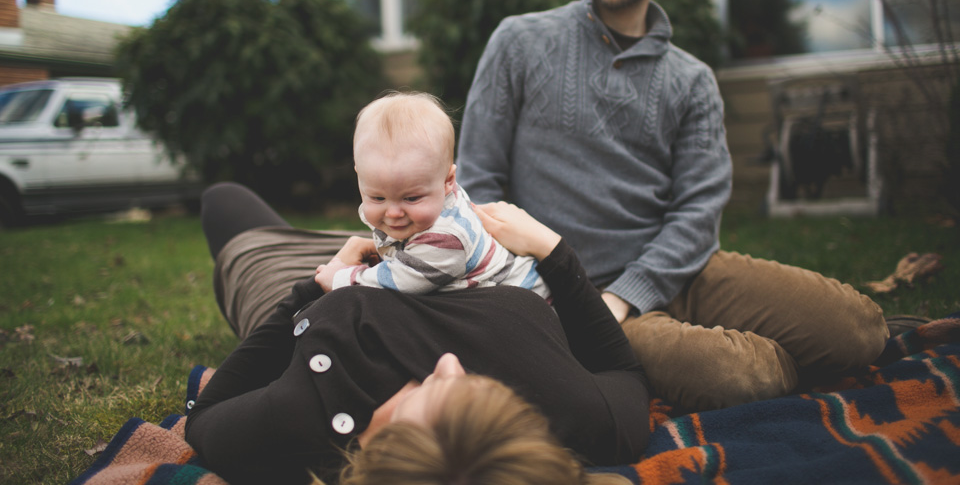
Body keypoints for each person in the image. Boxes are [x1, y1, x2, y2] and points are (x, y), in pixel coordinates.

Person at [456, 0, 889, 413]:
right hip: (571, 293)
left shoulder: (691, 79)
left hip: (680, 271)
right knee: (735, 376)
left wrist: (631, 293)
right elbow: (478, 181)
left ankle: (758, 347)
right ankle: (761, 359)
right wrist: (548, 295)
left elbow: (699, 209)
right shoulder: (519, 42)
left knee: (860, 330)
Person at [185, 182, 647, 485]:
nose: (449, 364)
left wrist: (313, 285)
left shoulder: (300, 420)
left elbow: (204, 417)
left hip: (323, 279)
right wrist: (552, 249)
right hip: (426, 247)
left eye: (431, 388)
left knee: (224, 201)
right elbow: (623, 370)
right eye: (474, 384)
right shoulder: (570, 414)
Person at [315, 91, 548, 301]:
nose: (393, 213)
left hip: (522, 302)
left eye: (411, 199)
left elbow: (397, 282)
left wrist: (341, 278)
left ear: (448, 182)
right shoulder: (425, 193)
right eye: (377, 198)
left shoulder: (447, 237)